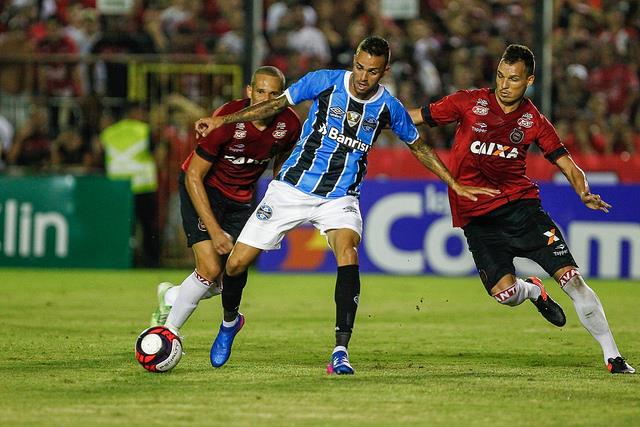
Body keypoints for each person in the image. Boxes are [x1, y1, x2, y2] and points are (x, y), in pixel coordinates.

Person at [195, 36, 499, 375]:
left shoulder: (388, 107)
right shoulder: (324, 81)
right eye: (359, 67)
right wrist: (222, 121)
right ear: (353, 60)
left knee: (348, 252)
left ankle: (340, 350)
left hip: (340, 198)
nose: (362, 77)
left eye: (372, 71)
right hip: (292, 189)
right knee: (235, 265)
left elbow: (419, 146)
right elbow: (275, 106)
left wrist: (453, 182)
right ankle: (229, 322)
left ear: (384, 71)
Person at [409, 44, 634, 374]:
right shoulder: (468, 103)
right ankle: (533, 290)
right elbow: (411, 117)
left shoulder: (534, 121)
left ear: (529, 80)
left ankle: (612, 356)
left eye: (513, 79)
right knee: (506, 294)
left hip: (522, 209)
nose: (503, 85)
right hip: (477, 218)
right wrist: (369, 117)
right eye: (500, 76)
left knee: (572, 279)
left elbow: (568, 164)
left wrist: (584, 192)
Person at [149, 66, 302, 340]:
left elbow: (283, 158)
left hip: (242, 201)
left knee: (225, 279)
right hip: (204, 191)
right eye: (261, 91)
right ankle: (166, 334)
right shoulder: (226, 120)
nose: (267, 99)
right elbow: (193, 175)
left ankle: (172, 295)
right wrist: (215, 231)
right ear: (249, 92)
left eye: (275, 94)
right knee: (209, 268)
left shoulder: (289, 125)